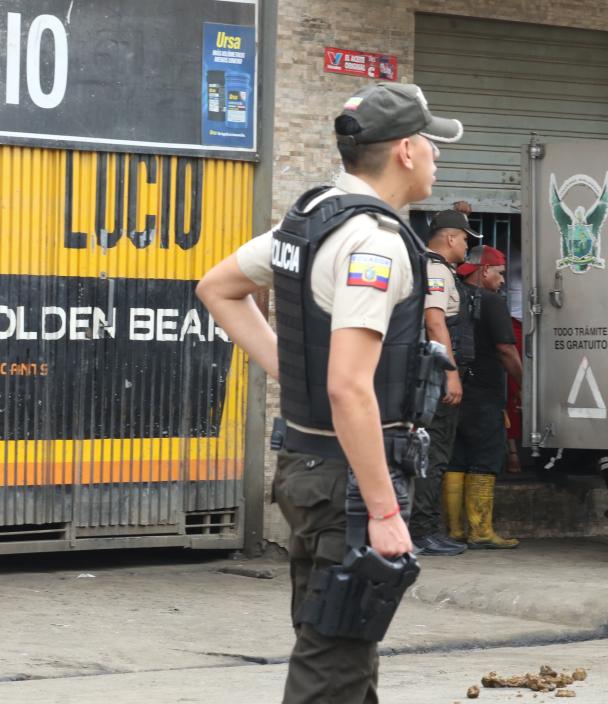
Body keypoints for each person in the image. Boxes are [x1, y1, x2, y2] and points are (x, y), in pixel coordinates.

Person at [196, 82, 462, 703]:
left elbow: (217, 288)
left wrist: (294, 376)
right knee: (331, 663)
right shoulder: (375, 241)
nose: (436, 156)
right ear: (403, 150)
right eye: (430, 143)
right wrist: (385, 511)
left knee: (341, 642)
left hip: (307, 467)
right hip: (349, 482)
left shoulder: (312, 216)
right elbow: (348, 387)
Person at [412, 208, 482, 557]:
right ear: (451, 237)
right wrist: (450, 373)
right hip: (435, 378)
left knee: (433, 453)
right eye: (467, 238)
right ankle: (421, 532)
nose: (468, 245)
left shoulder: (439, 269)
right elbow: (435, 324)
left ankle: (421, 528)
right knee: (434, 454)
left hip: (432, 376)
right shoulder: (435, 269)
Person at [444, 245, 524, 548]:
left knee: (456, 459)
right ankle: (480, 531)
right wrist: (524, 385)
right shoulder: (491, 303)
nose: (503, 281)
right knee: (484, 459)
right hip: (484, 394)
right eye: (500, 273)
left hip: (452, 391)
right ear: (485, 270)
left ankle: (454, 530)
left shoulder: (451, 297)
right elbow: (506, 349)